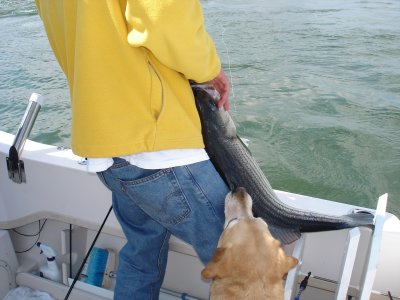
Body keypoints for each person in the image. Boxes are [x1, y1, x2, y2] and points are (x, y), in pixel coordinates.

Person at [35, 1, 230, 299]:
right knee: (244, 265)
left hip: (107, 150)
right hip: (156, 143)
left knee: (141, 259)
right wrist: (210, 69)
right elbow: (163, 17)